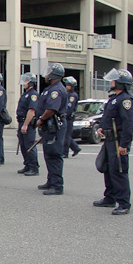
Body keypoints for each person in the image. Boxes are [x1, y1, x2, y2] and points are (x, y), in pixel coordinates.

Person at [92, 69, 133, 215]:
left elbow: (128, 124)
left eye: (114, 80)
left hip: (118, 141)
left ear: (120, 82)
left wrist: (124, 145)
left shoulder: (125, 100)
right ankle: (109, 197)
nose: (111, 82)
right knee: (108, 169)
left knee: (119, 171)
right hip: (109, 140)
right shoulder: (114, 98)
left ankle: (123, 203)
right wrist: (100, 128)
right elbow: (107, 118)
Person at [35, 63, 68, 195]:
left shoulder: (56, 90)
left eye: (49, 72)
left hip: (55, 125)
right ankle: (51, 180)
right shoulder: (50, 88)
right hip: (49, 127)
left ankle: (57, 185)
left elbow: (51, 109)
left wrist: (41, 119)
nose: (46, 75)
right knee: (48, 154)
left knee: (54, 154)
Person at [16, 72, 39, 176]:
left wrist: (25, 124)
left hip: (28, 123)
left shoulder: (33, 94)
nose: (23, 83)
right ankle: (27, 165)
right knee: (23, 145)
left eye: (25, 81)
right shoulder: (25, 94)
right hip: (21, 121)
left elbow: (31, 111)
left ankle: (34, 167)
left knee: (29, 145)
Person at [62, 76, 81, 158]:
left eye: (68, 85)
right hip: (66, 118)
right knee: (65, 135)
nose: (66, 87)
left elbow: (69, 107)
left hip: (68, 118)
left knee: (66, 136)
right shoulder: (67, 94)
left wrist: (64, 114)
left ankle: (65, 153)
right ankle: (76, 148)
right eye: (66, 85)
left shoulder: (73, 96)